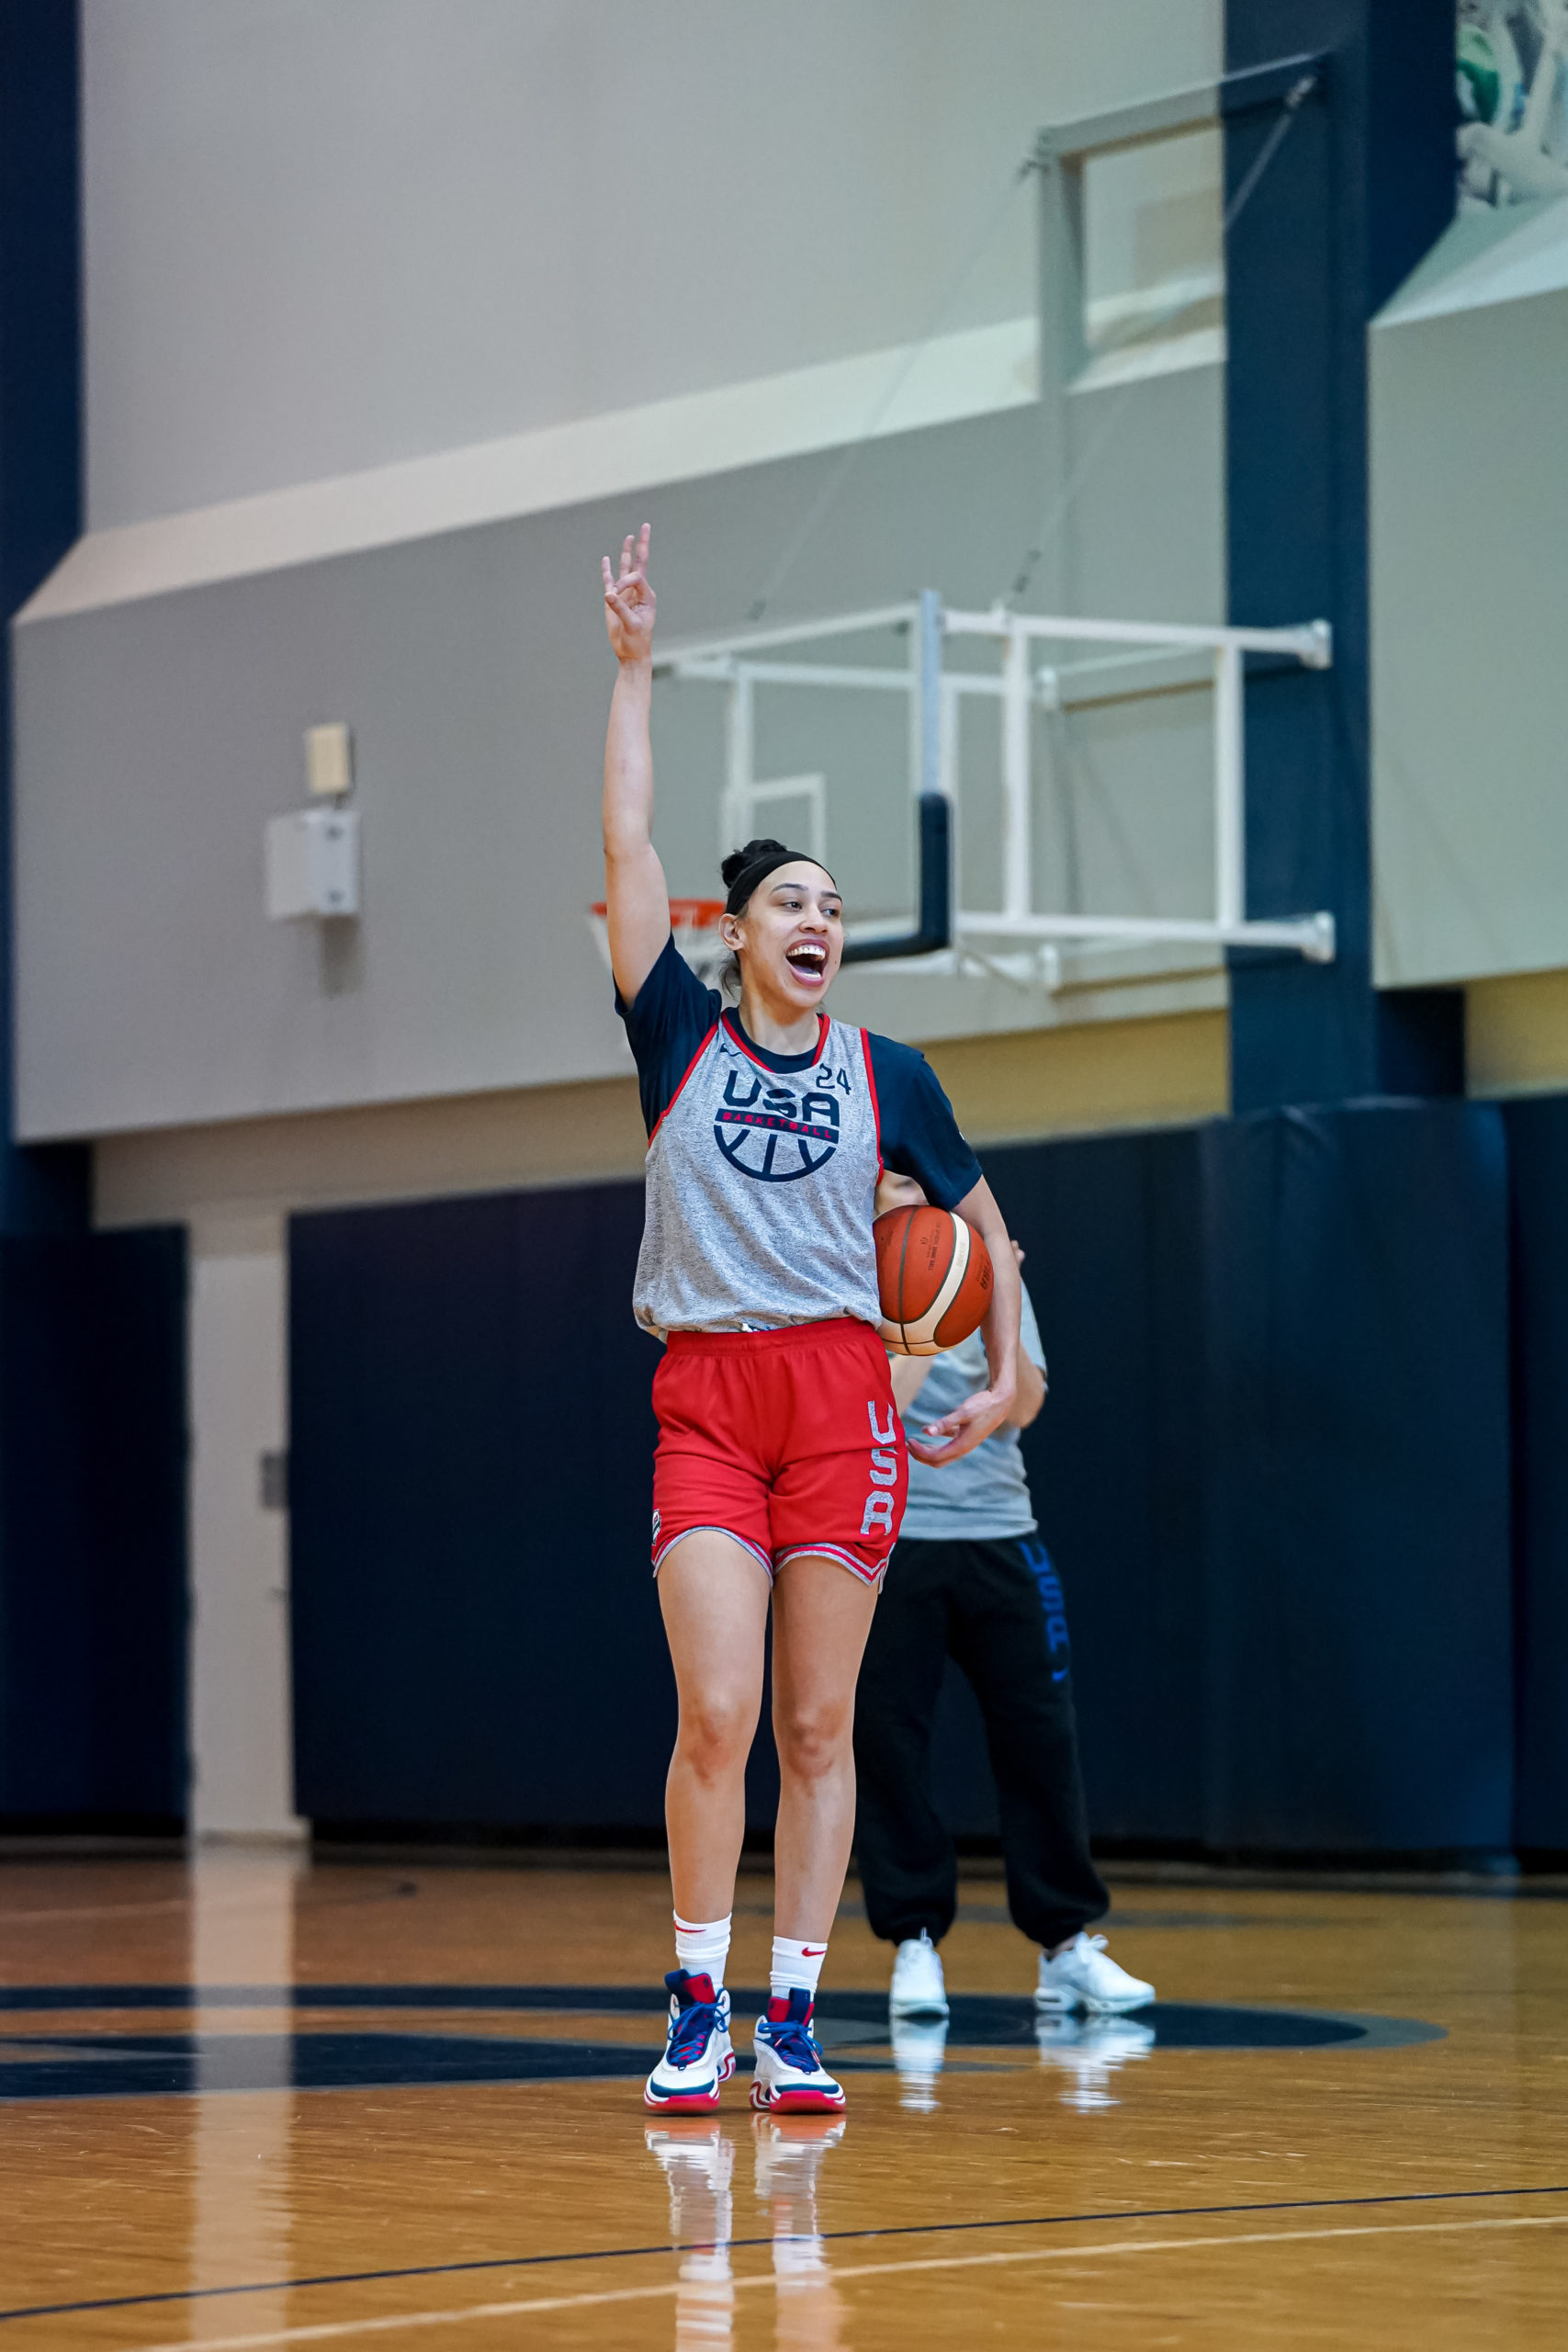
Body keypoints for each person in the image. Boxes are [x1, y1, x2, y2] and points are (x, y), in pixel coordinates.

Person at [600, 526, 1022, 2116]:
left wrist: (1009, 1369)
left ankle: (793, 2014)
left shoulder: (887, 1074)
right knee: (716, 1713)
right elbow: (627, 842)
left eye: (834, 906)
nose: (819, 919)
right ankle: (695, 1990)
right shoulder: (676, 1037)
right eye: (791, 899)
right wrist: (633, 671)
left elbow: (984, 1233)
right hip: (711, 1395)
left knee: (817, 1720)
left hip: (846, 1395)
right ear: (737, 931)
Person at [853, 1170, 1154, 2031]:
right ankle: (914, 1940)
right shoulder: (847, 1282)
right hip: (893, 1544)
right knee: (887, 1743)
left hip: (1001, 1536)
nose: (909, 1183)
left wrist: (992, 1305)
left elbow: (1021, 1404)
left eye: (920, 1173)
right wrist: (922, 1316)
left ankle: (1064, 1948)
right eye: (892, 1174)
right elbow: (870, 1416)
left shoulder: (990, 1274)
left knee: (1040, 1738)